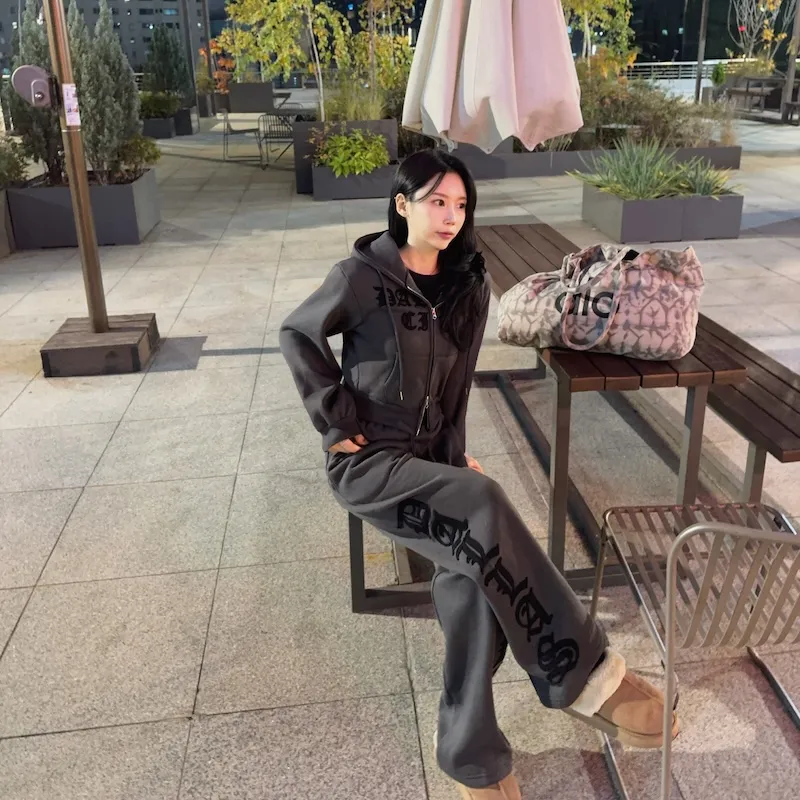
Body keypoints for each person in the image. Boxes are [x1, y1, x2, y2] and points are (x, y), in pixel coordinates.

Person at [280, 150, 677, 800]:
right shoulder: (360, 276)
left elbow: (457, 390)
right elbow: (298, 333)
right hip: (371, 464)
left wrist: (453, 453)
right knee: (487, 504)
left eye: (461, 205)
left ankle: (471, 757)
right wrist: (334, 417)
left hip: (430, 462)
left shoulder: (468, 285)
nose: (450, 216)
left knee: (471, 582)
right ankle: (586, 677)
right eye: (437, 201)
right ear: (402, 204)